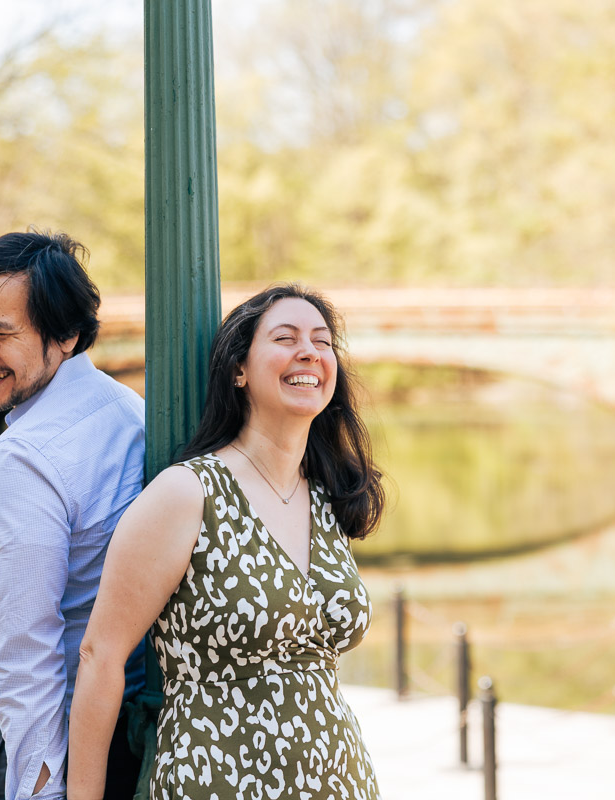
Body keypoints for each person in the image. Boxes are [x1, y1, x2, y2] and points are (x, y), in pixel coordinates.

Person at [68, 284, 386, 800]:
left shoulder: (329, 496)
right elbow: (99, 656)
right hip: (218, 781)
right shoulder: (187, 493)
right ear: (239, 369)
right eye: (285, 337)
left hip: (341, 780)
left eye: (322, 342)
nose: (309, 351)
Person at [0, 230, 148, 800]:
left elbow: (27, 650)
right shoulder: (128, 410)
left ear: (65, 335)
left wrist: (40, 789)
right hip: (134, 734)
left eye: (0, 334)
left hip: (62, 748)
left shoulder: (24, 457)